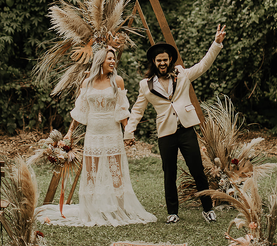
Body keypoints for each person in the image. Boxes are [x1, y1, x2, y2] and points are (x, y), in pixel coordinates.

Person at [36, 47, 157, 227]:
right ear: (100, 60)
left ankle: (120, 210)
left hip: (112, 132)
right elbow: (80, 111)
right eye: (109, 58)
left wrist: (128, 132)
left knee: (116, 172)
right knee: (91, 172)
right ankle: (90, 210)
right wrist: (69, 132)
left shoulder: (117, 81)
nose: (113, 61)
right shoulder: (87, 83)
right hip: (93, 132)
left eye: (114, 59)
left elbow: (122, 110)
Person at [124, 24, 226, 224]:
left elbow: (203, 65)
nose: (162, 63)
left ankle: (207, 209)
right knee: (169, 172)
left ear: (170, 60)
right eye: (159, 60)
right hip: (166, 132)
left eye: (165, 60)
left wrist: (216, 43)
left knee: (197, 170)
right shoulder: (146, 85)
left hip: (186, 129)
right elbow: (137, 109)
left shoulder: (182, 74)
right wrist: (129, 131)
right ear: (154, 62)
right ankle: (172, 212)